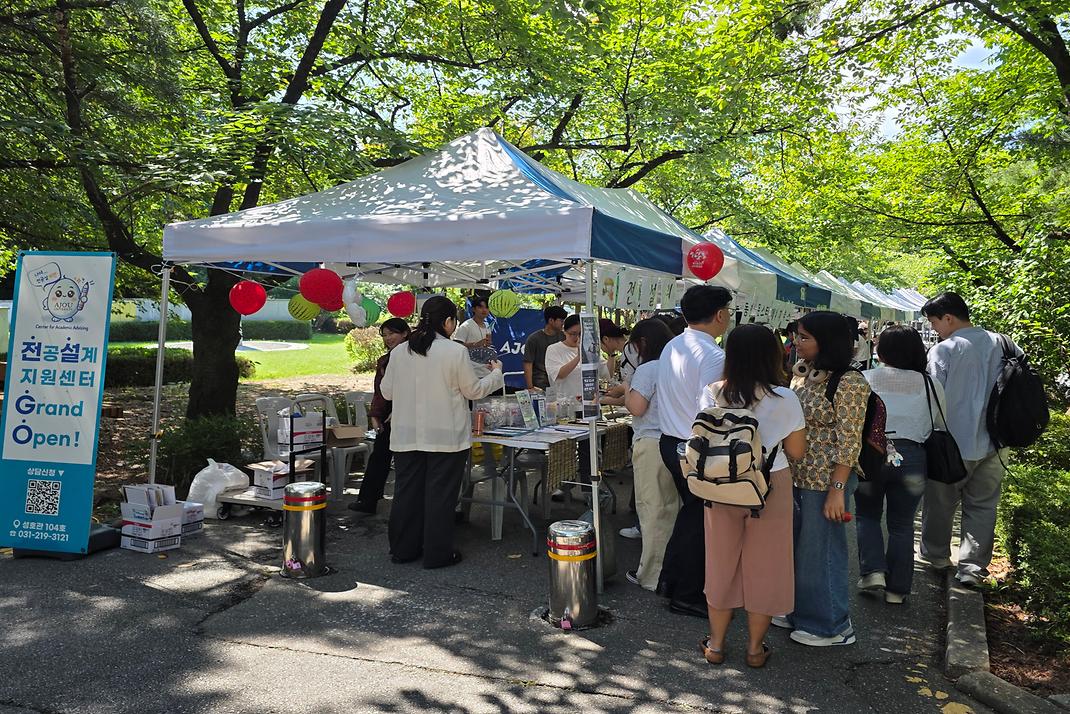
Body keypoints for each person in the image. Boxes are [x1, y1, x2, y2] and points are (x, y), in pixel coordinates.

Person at [699, 325, 806, 668]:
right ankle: (755, 650)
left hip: (720, 485)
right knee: (767, 566)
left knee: (720, 563)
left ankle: (716, 645)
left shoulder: (713, 392)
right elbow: (797, 451)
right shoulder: (785, 397)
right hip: (769, 485)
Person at [381, 295, 503, 568]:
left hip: (406, 434)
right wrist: (496, 374)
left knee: (407, 493)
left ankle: (403, 549)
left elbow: (386, 392)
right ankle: (437, 554)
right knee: (441, 495)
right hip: (446, 435)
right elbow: (473, 390)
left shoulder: (400, 351)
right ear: (448, 322)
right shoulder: (453, 351)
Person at [919, 292, 1021, 587]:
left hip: (951, 443)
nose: (934, 328)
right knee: (984, 505)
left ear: (948, 318)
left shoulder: (944, 350)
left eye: (934, 322)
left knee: (940, 502)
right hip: (997, 442)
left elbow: (932, 397)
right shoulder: (1005, 343)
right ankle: (972, 568)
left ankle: (937, 556)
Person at [784, 311, 869, 646]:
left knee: (821, 552)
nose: (797, 342)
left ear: (827, 341)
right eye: (798, 335)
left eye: (805, 337)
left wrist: (837, 489)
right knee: (800, 550)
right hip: (797, 476)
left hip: (826, 481)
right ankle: (800, 611)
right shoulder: (803, 374)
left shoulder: (850, 382)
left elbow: (850, 441)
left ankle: (830, 625)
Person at [656, 285, 733, 618]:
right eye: (729, 311)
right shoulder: (714, 355)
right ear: (720, 314)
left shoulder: (673, 344)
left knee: (691, 516)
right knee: (700, 521)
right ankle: (686, 593)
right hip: (695, 445)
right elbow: (710, 408)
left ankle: (672, 584)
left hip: (670, 441)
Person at [857, 325, 947, 603]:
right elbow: (939, 423)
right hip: (913, 457)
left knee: (867, 514)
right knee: (902, 524)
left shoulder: (865, 378)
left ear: (881, 350)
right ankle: (897, 589)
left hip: (871, 455)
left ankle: (873, 571)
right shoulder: (930, 384)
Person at [622, 318, 679, 590]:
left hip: (651, 443)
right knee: (672, 508)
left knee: (652, 511)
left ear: (642, 343)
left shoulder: (647, 369)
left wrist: (627, 387)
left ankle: (652, 576)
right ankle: (670, 569)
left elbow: (636, 407)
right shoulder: (676, 365)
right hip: (675, 442)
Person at [544, 314, 623, 498]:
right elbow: (558, 374)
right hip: (565, 407)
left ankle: (590, 490)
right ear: (564, 331)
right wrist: (579, 357)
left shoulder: (591, 349)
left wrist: (611, 354)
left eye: (581, 334)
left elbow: (606, 374)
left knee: (590, 450)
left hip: (589, 406)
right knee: (564, 449)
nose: (577, 338)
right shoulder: (554, 350)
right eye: (573, 334)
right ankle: (563, 485)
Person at [349, 318, 411, 515]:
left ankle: (408, 507)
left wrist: (401, 409)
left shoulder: (415, 357)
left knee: (408, 461)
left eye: (392, 333)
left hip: (410, 412)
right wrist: (375, 415)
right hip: (388, 413)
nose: (388, 338)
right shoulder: (385, 360)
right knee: (380, 456)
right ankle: (368, 500)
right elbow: (379, 391)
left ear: (405, 333)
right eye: (384, 335)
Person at [523, 305, 567, 391]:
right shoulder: (534, 339)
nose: (563, 324)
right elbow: (528, 363)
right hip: (540, 385)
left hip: (560, 383)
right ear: (551, 320)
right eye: (561, 321)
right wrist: (530, 387)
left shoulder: (564, 336)